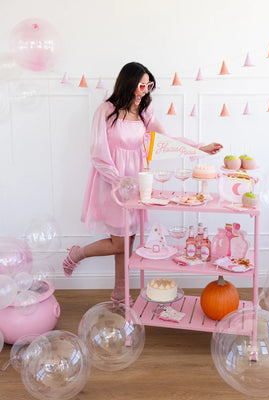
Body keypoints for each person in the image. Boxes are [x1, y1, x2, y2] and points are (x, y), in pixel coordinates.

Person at [62, 61, 223, 305]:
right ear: (128, 83)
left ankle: (119, 294)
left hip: (139, 181)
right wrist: (119, 181)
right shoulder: (106, 111)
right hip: (112, 183)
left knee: (128, 238)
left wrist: (200, 147)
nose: (144, 91)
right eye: (141, 85)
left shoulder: (145, 113)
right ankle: (78, 253)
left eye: (149, 86)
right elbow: (98, 152)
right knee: (120, 241)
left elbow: (166, 140)